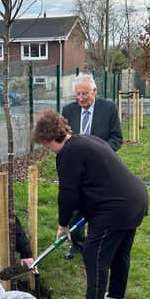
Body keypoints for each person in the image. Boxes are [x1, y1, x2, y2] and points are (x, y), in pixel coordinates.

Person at [32, 110, 148, 299]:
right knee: (120, 251)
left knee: (94, 255)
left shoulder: (68, 153)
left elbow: (68, 193)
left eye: (46, 144)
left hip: (115, 208)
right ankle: (115, 296)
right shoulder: (86, 139)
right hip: (135, 198)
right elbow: (96, 179)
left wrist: (63, 224)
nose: (47, 149)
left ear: (50, 139)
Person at [61, 72, 123, 261]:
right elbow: (62, 137)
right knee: (74, 206)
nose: (80, 98)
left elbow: (117, 138)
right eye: (77, 94)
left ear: (94, 91)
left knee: (99, 207)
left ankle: (98, 244)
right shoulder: (68, 111)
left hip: (101, 168)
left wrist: (102, 152)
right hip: (77, 168)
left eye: (85, 94)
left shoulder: (109, 108)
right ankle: (77, 244)